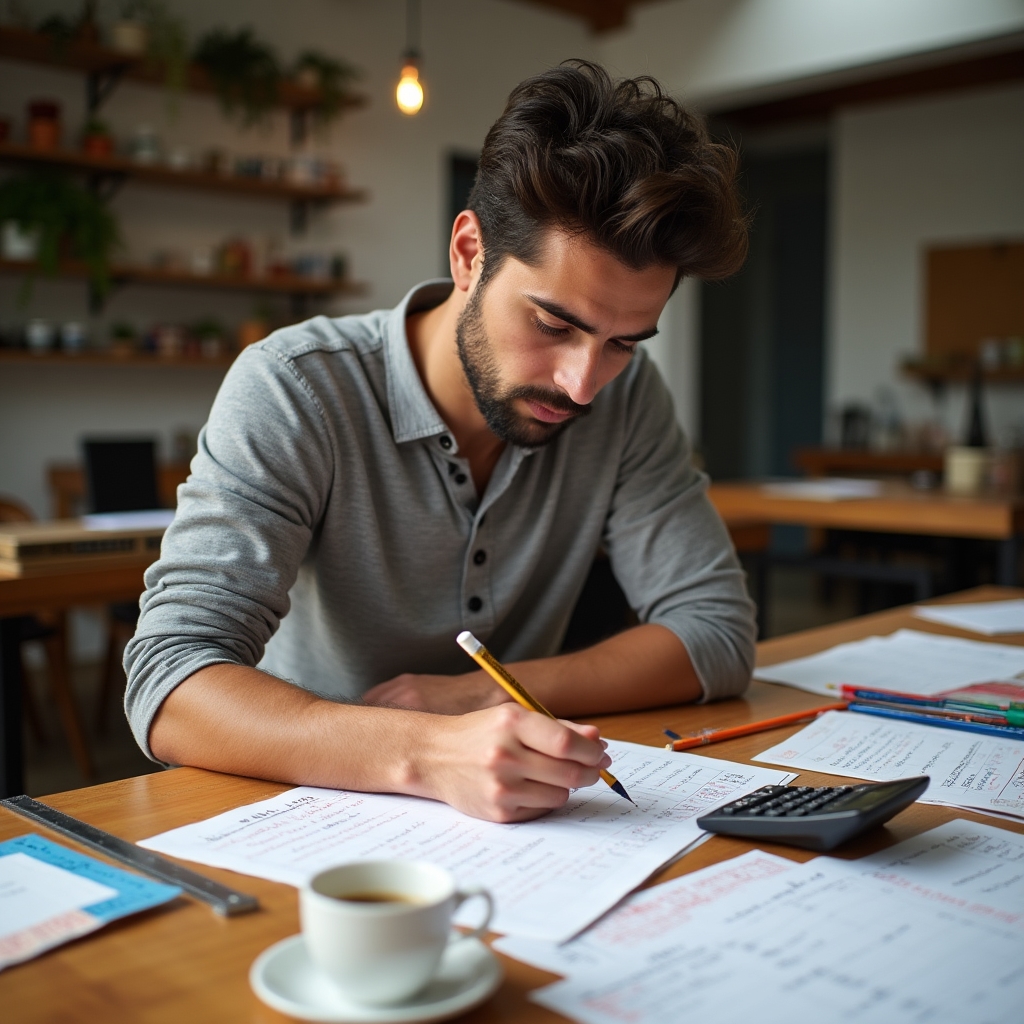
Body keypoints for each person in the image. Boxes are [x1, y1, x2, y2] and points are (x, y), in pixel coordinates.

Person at [125, 61, 753, 824]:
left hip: (520, 824)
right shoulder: (295, 386)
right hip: (306, 809)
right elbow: (170, 677)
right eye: (555, 325)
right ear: (468, 254)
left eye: (624, 341)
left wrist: (484, 691)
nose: (584, 384)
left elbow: (715, 634)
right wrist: (427, 750)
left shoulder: (628, 398)